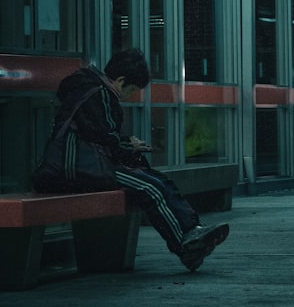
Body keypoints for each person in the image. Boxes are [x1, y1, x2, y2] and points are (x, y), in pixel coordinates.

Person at [41, 48, 228, 271]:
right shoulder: (98, 93)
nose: (129, 96)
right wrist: (129, 145)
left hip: (88, 163)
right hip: (80, 168)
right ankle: (185, 245)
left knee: (157, 181)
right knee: (150, 186)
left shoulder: (90, 89)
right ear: (120, 80)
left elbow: (96, 134)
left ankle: (191, 231)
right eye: (130, 90)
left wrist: (127, 144)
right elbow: (102, 136)